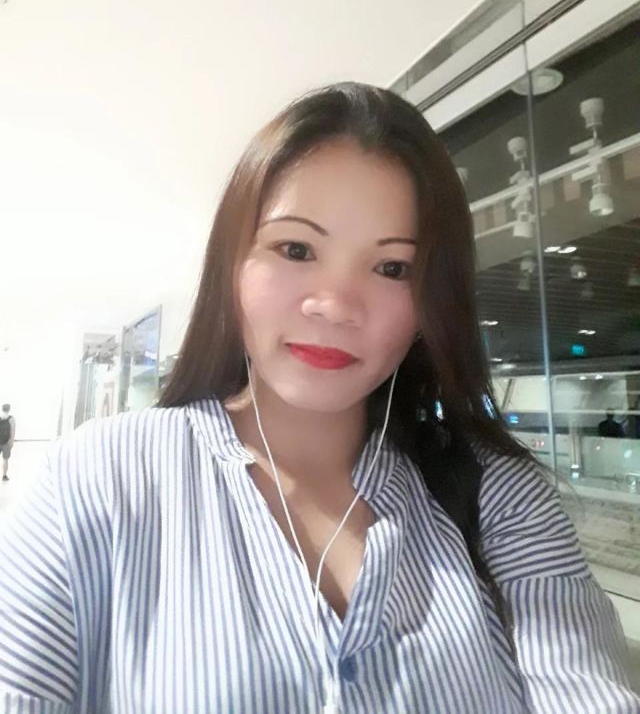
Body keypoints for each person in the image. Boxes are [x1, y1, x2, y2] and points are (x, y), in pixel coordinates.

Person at [0, 83, 637, 713]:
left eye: (392, 268)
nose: (334, 305)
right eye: (296, 249)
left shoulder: (498, 496)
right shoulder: (96, 480)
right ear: (231, 268)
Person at [0, 403, 15, 482]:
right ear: (9, 409)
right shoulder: (11, 419)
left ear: (2, 409)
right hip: (6, 442)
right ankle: (4, 476)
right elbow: (13, 431)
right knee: (5, 459)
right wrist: (11, 441)